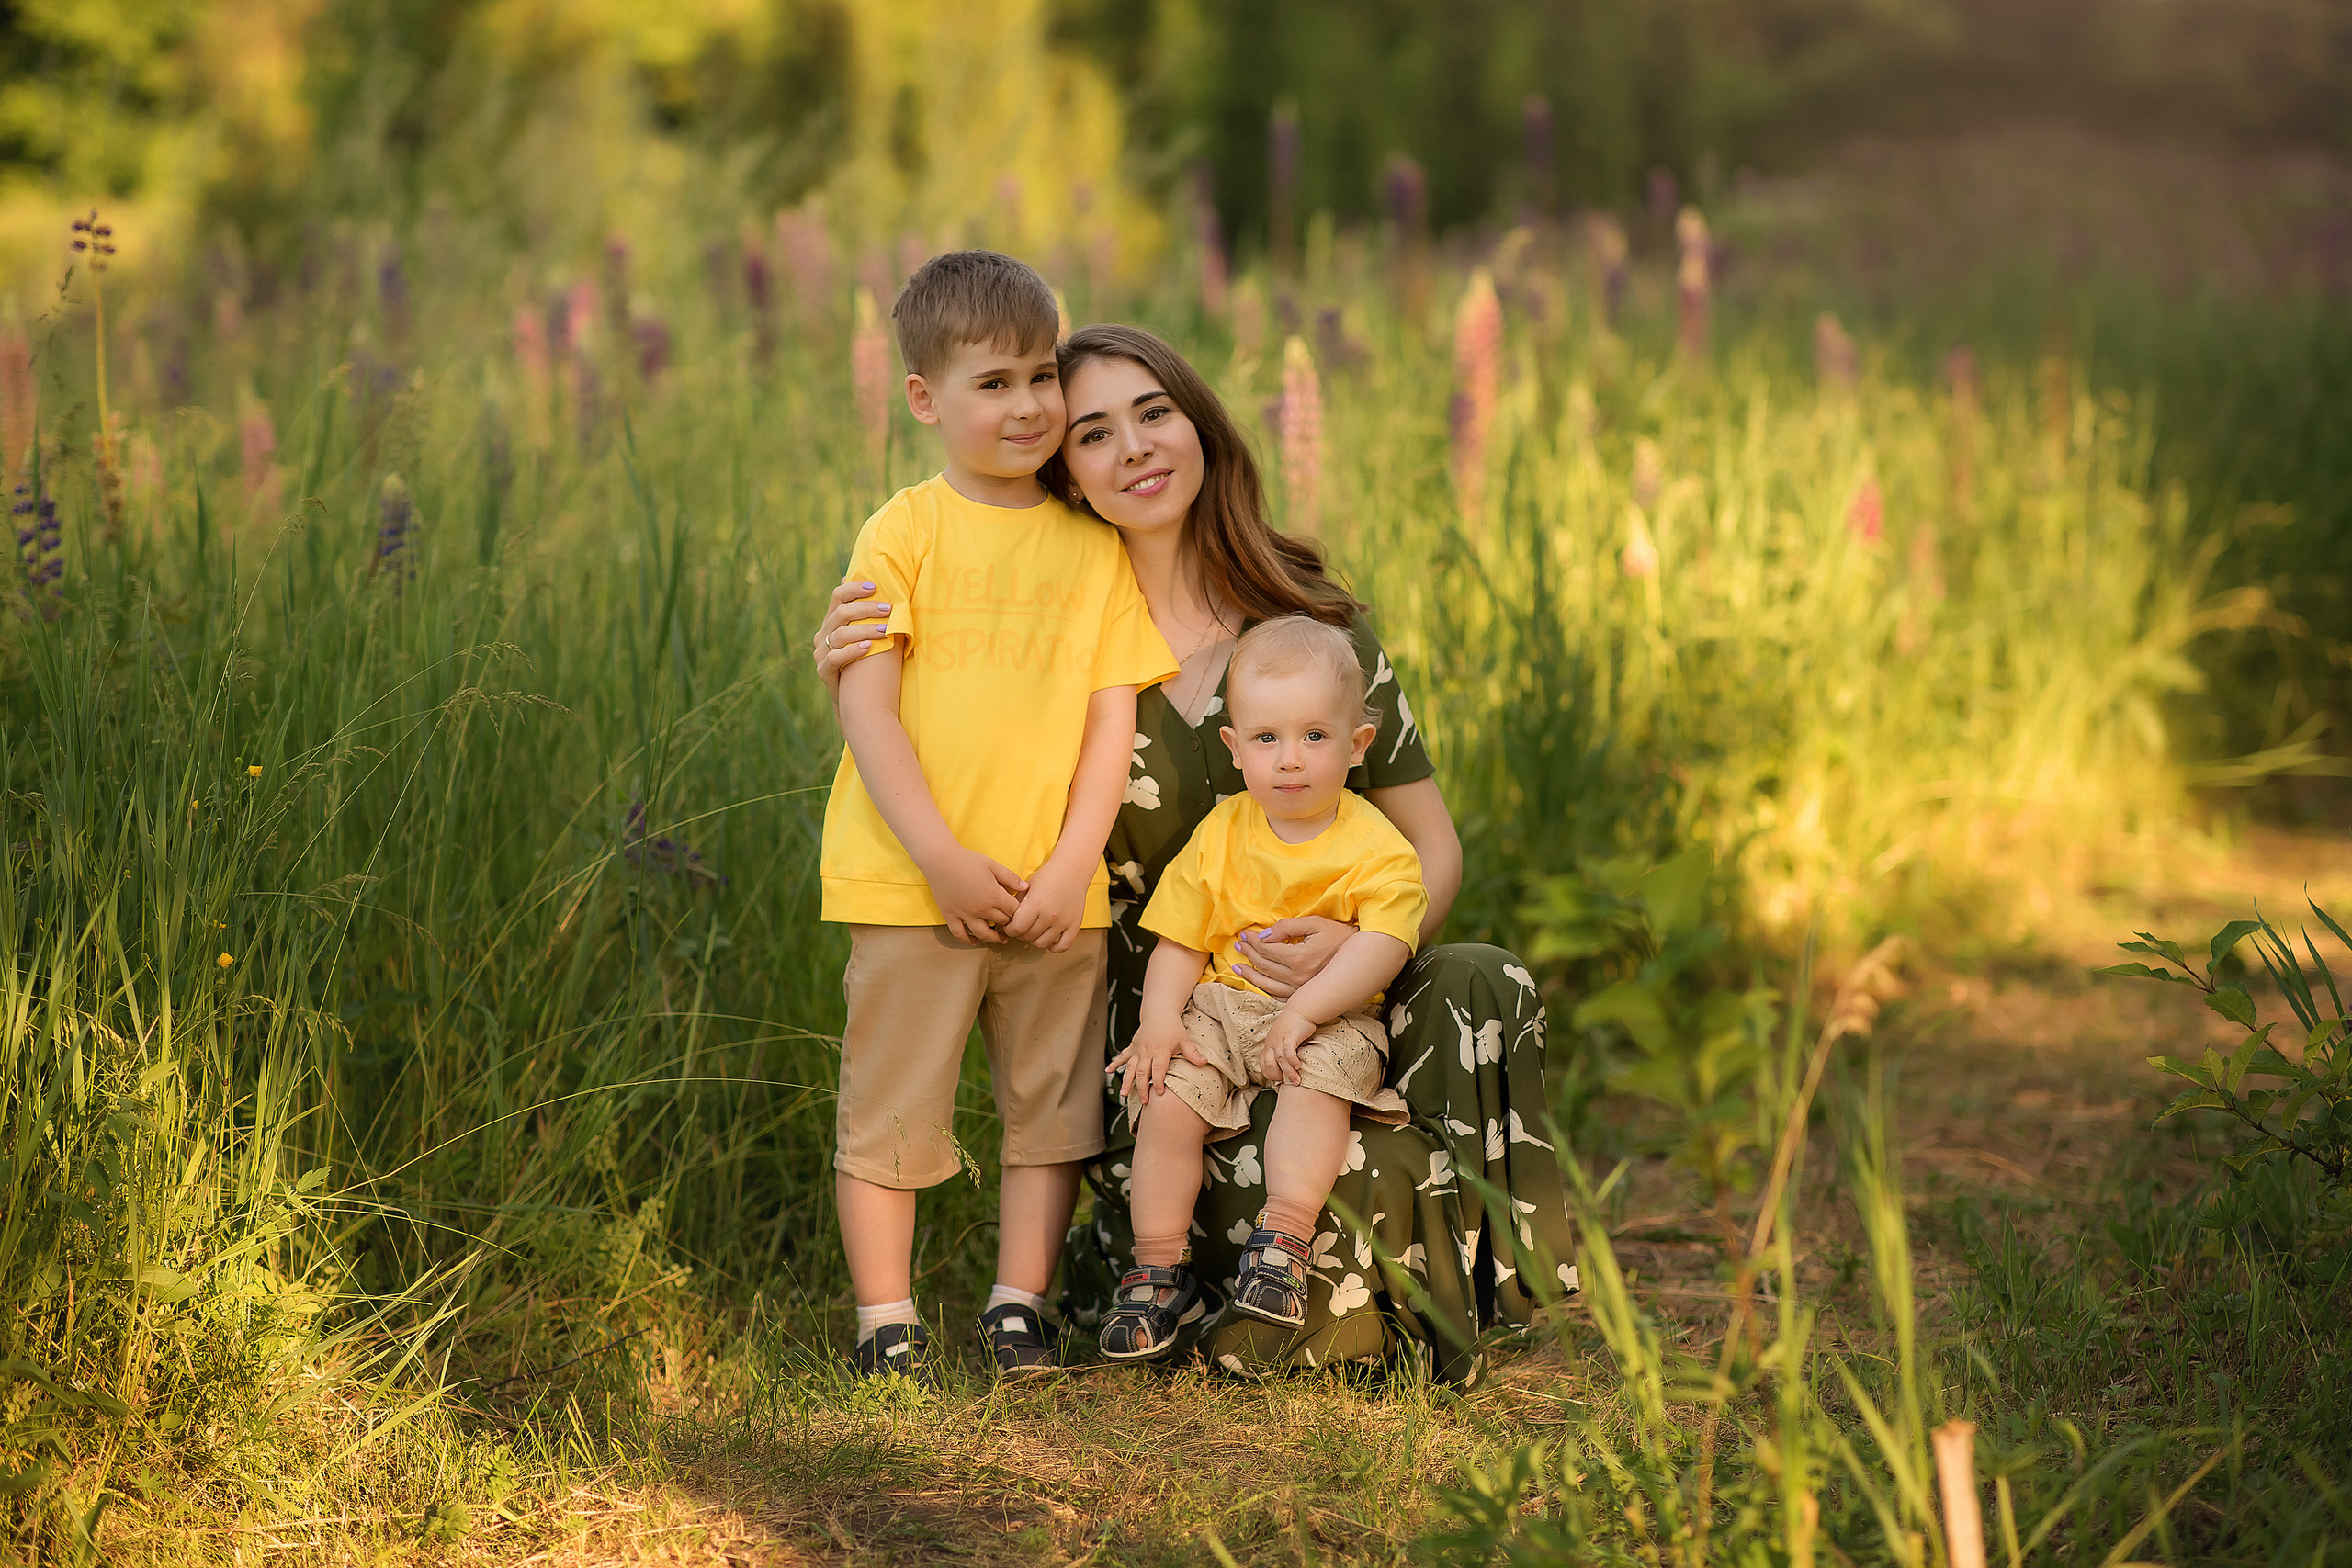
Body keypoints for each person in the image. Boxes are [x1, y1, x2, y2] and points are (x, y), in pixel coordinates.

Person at [814, 322, 1572, 1383]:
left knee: (1480, 978)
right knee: (1290, 1197)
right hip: (1164, 1031)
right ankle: (1190, 1271)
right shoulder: (1058, 640)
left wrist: (1357, 951)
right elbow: (935, 703)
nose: (1133, 448)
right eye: (1092, 433)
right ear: (1058, 466)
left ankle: (1470, 1278)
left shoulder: (1321, 639)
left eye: (1153, 412)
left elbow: (1428, 851)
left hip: (1337, 996)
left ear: (1201, 424)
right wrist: (848, 659)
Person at [820, 254, 1177, 1384]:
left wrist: (1074, 864)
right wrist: (939, 858)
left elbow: (1107, 725)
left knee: (1051, 1110)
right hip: (912, 882)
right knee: (891, 1105)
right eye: (992, 384)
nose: (1026, 406)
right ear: (924, 398)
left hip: (1050, 894)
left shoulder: (1090, 548)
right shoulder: (904, 531)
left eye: (1039, 377)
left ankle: (1015, 1308)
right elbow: (865, 707)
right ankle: (886, 1322)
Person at [1100, 615, 1426, 1361]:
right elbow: (1182, 938)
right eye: (1267, 738)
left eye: (1315, 736)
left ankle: (1283, 1242)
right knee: (1170, 1096)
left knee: (1319, 1083)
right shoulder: (1222, 831)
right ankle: (1157, 1269)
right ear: (1235, 747)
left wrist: (1307, 1011)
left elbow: (1384, 943)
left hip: (1331, 1013)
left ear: (1357, 745)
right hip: (1222, 1005)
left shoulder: (1378, 845)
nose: (1290, 760)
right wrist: (1158, 1022)